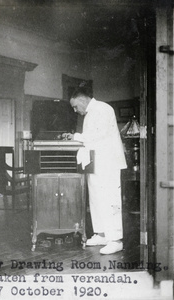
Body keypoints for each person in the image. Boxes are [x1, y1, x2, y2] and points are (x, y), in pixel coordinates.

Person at [67, 87, 127, 255]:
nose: (75, 110)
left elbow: (99, 135)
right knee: (96, 198)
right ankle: (101, 234)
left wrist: (76, 137)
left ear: (82, 100)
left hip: (108, 163)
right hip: (95, 162)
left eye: (75, 106)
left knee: (109, 199)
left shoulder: (103, 109)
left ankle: (115, 240)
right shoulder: (90, 113)